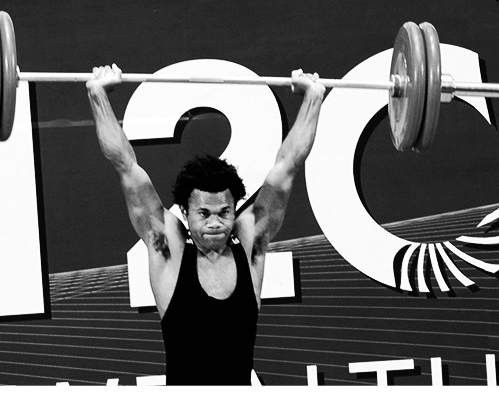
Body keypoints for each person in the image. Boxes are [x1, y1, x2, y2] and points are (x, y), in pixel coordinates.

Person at [86, 64, 325, 385]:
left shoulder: (251, 243)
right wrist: (98, 94)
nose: (215, 223)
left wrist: (313, 97)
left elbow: (288, 166)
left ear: (235, 210)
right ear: (184, 211)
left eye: (224, 213)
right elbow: (126, 167)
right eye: (204, 214)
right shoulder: (166, 248)